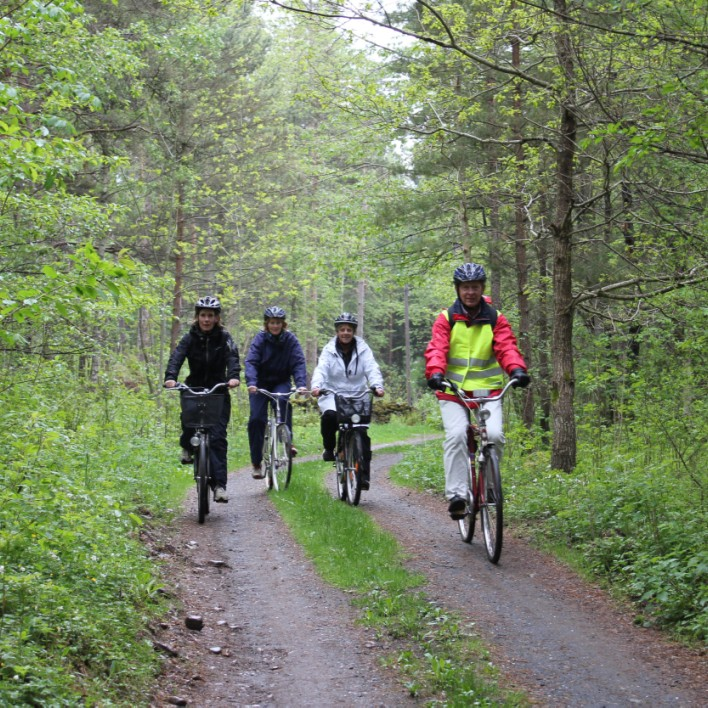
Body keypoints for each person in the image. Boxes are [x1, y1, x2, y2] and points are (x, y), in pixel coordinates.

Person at [424, 263, 530, 519]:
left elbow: (506, 347)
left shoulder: (495, 317)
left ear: (482, 288)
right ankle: (458, 496)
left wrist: (516, 369)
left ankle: (491, 489)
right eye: (465, 288)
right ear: (458, 289)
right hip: (453, 390)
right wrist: (436, 373)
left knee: (494, 435)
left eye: (474, 287)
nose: (470, 292)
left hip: (487, 389)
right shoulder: (446, 318)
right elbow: (437, 348)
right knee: (457, 435)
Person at [164, 296, 241, 503]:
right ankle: (187, 447)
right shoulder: (189, 338)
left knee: (217, 437)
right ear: (197, 317)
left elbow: (233, 358)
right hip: (194, 386)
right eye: (203, 315)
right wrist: (171, 377)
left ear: (217, 318)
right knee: (188, 423)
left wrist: (233, 377)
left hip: (218, 388)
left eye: (211, 316)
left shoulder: (224, 338)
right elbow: (177, 357)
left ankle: (219, 486)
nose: (206, 319)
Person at [310, 312, 384, 490]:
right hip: (333, 394)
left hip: (357, 395)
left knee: (362, 434)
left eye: (349, 329)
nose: (345, 333)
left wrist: (377, 385)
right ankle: (329, 448)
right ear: (337, 331)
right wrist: (316, 386)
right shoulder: (329, 350)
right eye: (342, 329)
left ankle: (363, 476)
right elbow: (321, 369)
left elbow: (372, 368)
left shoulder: (363, 349)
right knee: (329, 417)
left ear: (354, 331)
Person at [245, 306, 308, 479]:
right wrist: (251, 382)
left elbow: (298, 362)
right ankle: (256, 463)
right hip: (260, 384)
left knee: (282, 402)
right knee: (256, 419)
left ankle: (287, 440)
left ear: (283, 324)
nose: (275, 326)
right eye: (272, 322)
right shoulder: (260, 339)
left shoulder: (290, 340)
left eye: (278, 323)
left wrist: (301, 384)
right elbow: (251, 362)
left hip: (280, 381)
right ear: (267, 324)